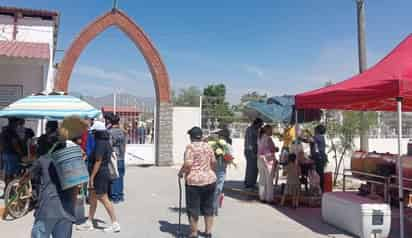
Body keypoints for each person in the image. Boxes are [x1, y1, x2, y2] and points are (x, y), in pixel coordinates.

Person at [21, 128, 76, 238]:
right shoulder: (70, 161)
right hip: (67, 209)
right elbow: (76, 187)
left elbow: (27, 176)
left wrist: (22, 183)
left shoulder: (43, 160)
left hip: (47, 208)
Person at [77, 121, 120, 233]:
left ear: (97, 132)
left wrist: (91, 177)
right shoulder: (104, 141)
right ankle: (89, 222)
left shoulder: (101, 143)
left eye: (94, 132)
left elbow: (98, 160)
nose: (92, 134)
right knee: (92, 198)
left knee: (103, 198)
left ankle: (115, 223)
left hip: (99, 174)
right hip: (98, 173)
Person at [178, 127, 216, 238]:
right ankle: (208, 232)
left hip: (194, 182)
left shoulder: (190, 147)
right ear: (201, 136)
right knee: (208, 207)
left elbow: (188, 164)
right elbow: (213, 162)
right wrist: (208, 172)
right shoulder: (208, 146)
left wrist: (181, 172)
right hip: (209, 180)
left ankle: (194, 233)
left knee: (193, 208)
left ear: (191, 137)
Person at [212, 127, 232, 216]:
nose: (219, 137)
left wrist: (224, 157)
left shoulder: (228, 146)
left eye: (220, 136)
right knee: (215, 188)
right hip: (214, 168)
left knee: (218, 188)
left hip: (221, 169)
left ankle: (214, 207)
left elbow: (230, 158)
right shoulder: (214, 145)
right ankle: (212, 206)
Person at [108, 114, 126, 203]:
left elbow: (110, 146)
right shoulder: (122, 132)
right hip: (122, 157)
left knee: (114, 176)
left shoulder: (110, 132)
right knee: (121, 177)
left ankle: (114, 196)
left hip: (114, 158)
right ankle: (120, 195)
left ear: (111, 122)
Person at [257, 124, 277, 203]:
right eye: (271, 130)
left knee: (262, 179)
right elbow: (272, 149)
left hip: (260, 159)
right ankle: (269, 198)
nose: (272, 131)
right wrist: (275, 149)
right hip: (267, 160)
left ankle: (262, 196)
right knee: (269, 180)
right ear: (267, 130)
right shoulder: (268, 139)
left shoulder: (260, 137)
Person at [244, 118, 263, 189]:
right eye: (260, 124)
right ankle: (249, 183)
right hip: (250, 151)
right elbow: (249, 142)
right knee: (251, 167)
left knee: (254, 168)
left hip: (254, 150)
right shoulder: (250, 129)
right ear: (257, 123)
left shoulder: (256, 129)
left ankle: (250, 182)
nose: (261, 126)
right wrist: (252, 152)